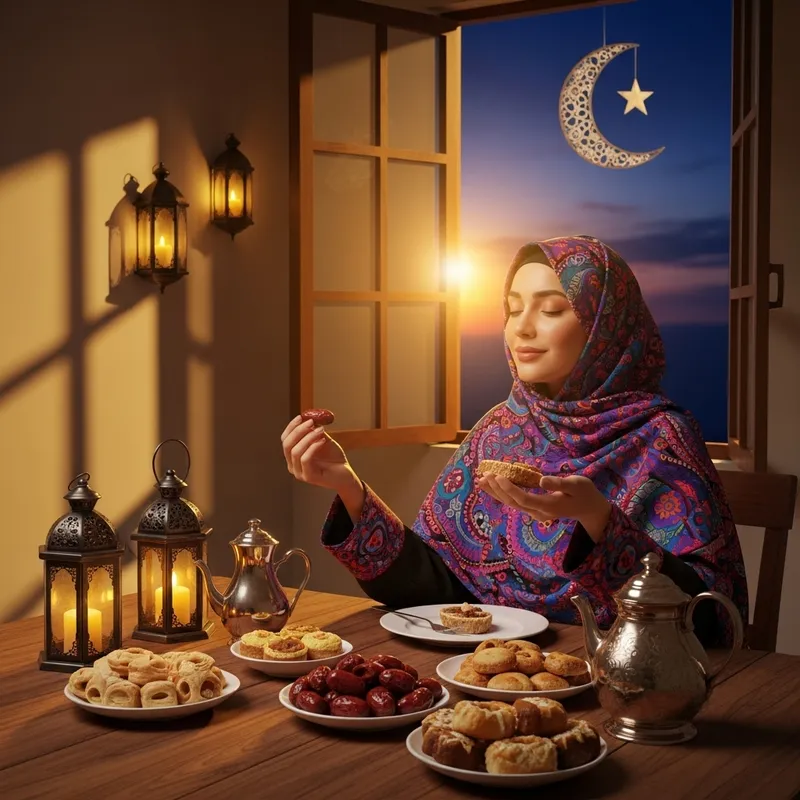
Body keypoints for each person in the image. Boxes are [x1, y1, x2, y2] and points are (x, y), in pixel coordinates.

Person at [281, 235, 748, 646]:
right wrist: (349, 488)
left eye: (551, 309)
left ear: (605, 326)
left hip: (615, 681)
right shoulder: (499, 430)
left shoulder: (663, 436)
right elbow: (439, 589)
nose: (522, 327)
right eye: (512, 308)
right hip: (484, 676)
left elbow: (707, 622)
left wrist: (599, 521)